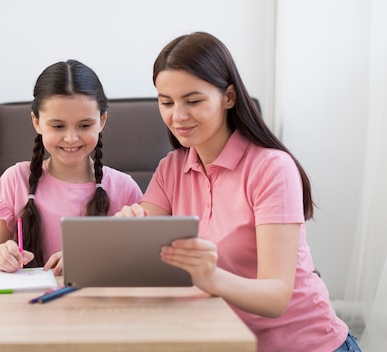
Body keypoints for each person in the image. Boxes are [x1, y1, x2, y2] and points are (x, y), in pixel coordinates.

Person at [115, 32, 360, 352]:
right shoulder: (172, 168)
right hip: (222, 340)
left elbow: (276, 297)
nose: (178, 116)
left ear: (228, 97)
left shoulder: (271, 168)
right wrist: (126, 231)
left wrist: (209, 276)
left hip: (305, 344)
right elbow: (140, 248)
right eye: (166, 102)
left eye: (193, 100)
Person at [0, 59, 143, 275]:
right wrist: (1, 261)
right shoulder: (16, 180)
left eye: (84, 125)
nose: (71, 138)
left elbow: (140, 266)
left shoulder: (124, 188)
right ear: (37, 122)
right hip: (31, 305)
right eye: (57, 126)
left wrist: (92, 258)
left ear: (102, 121)